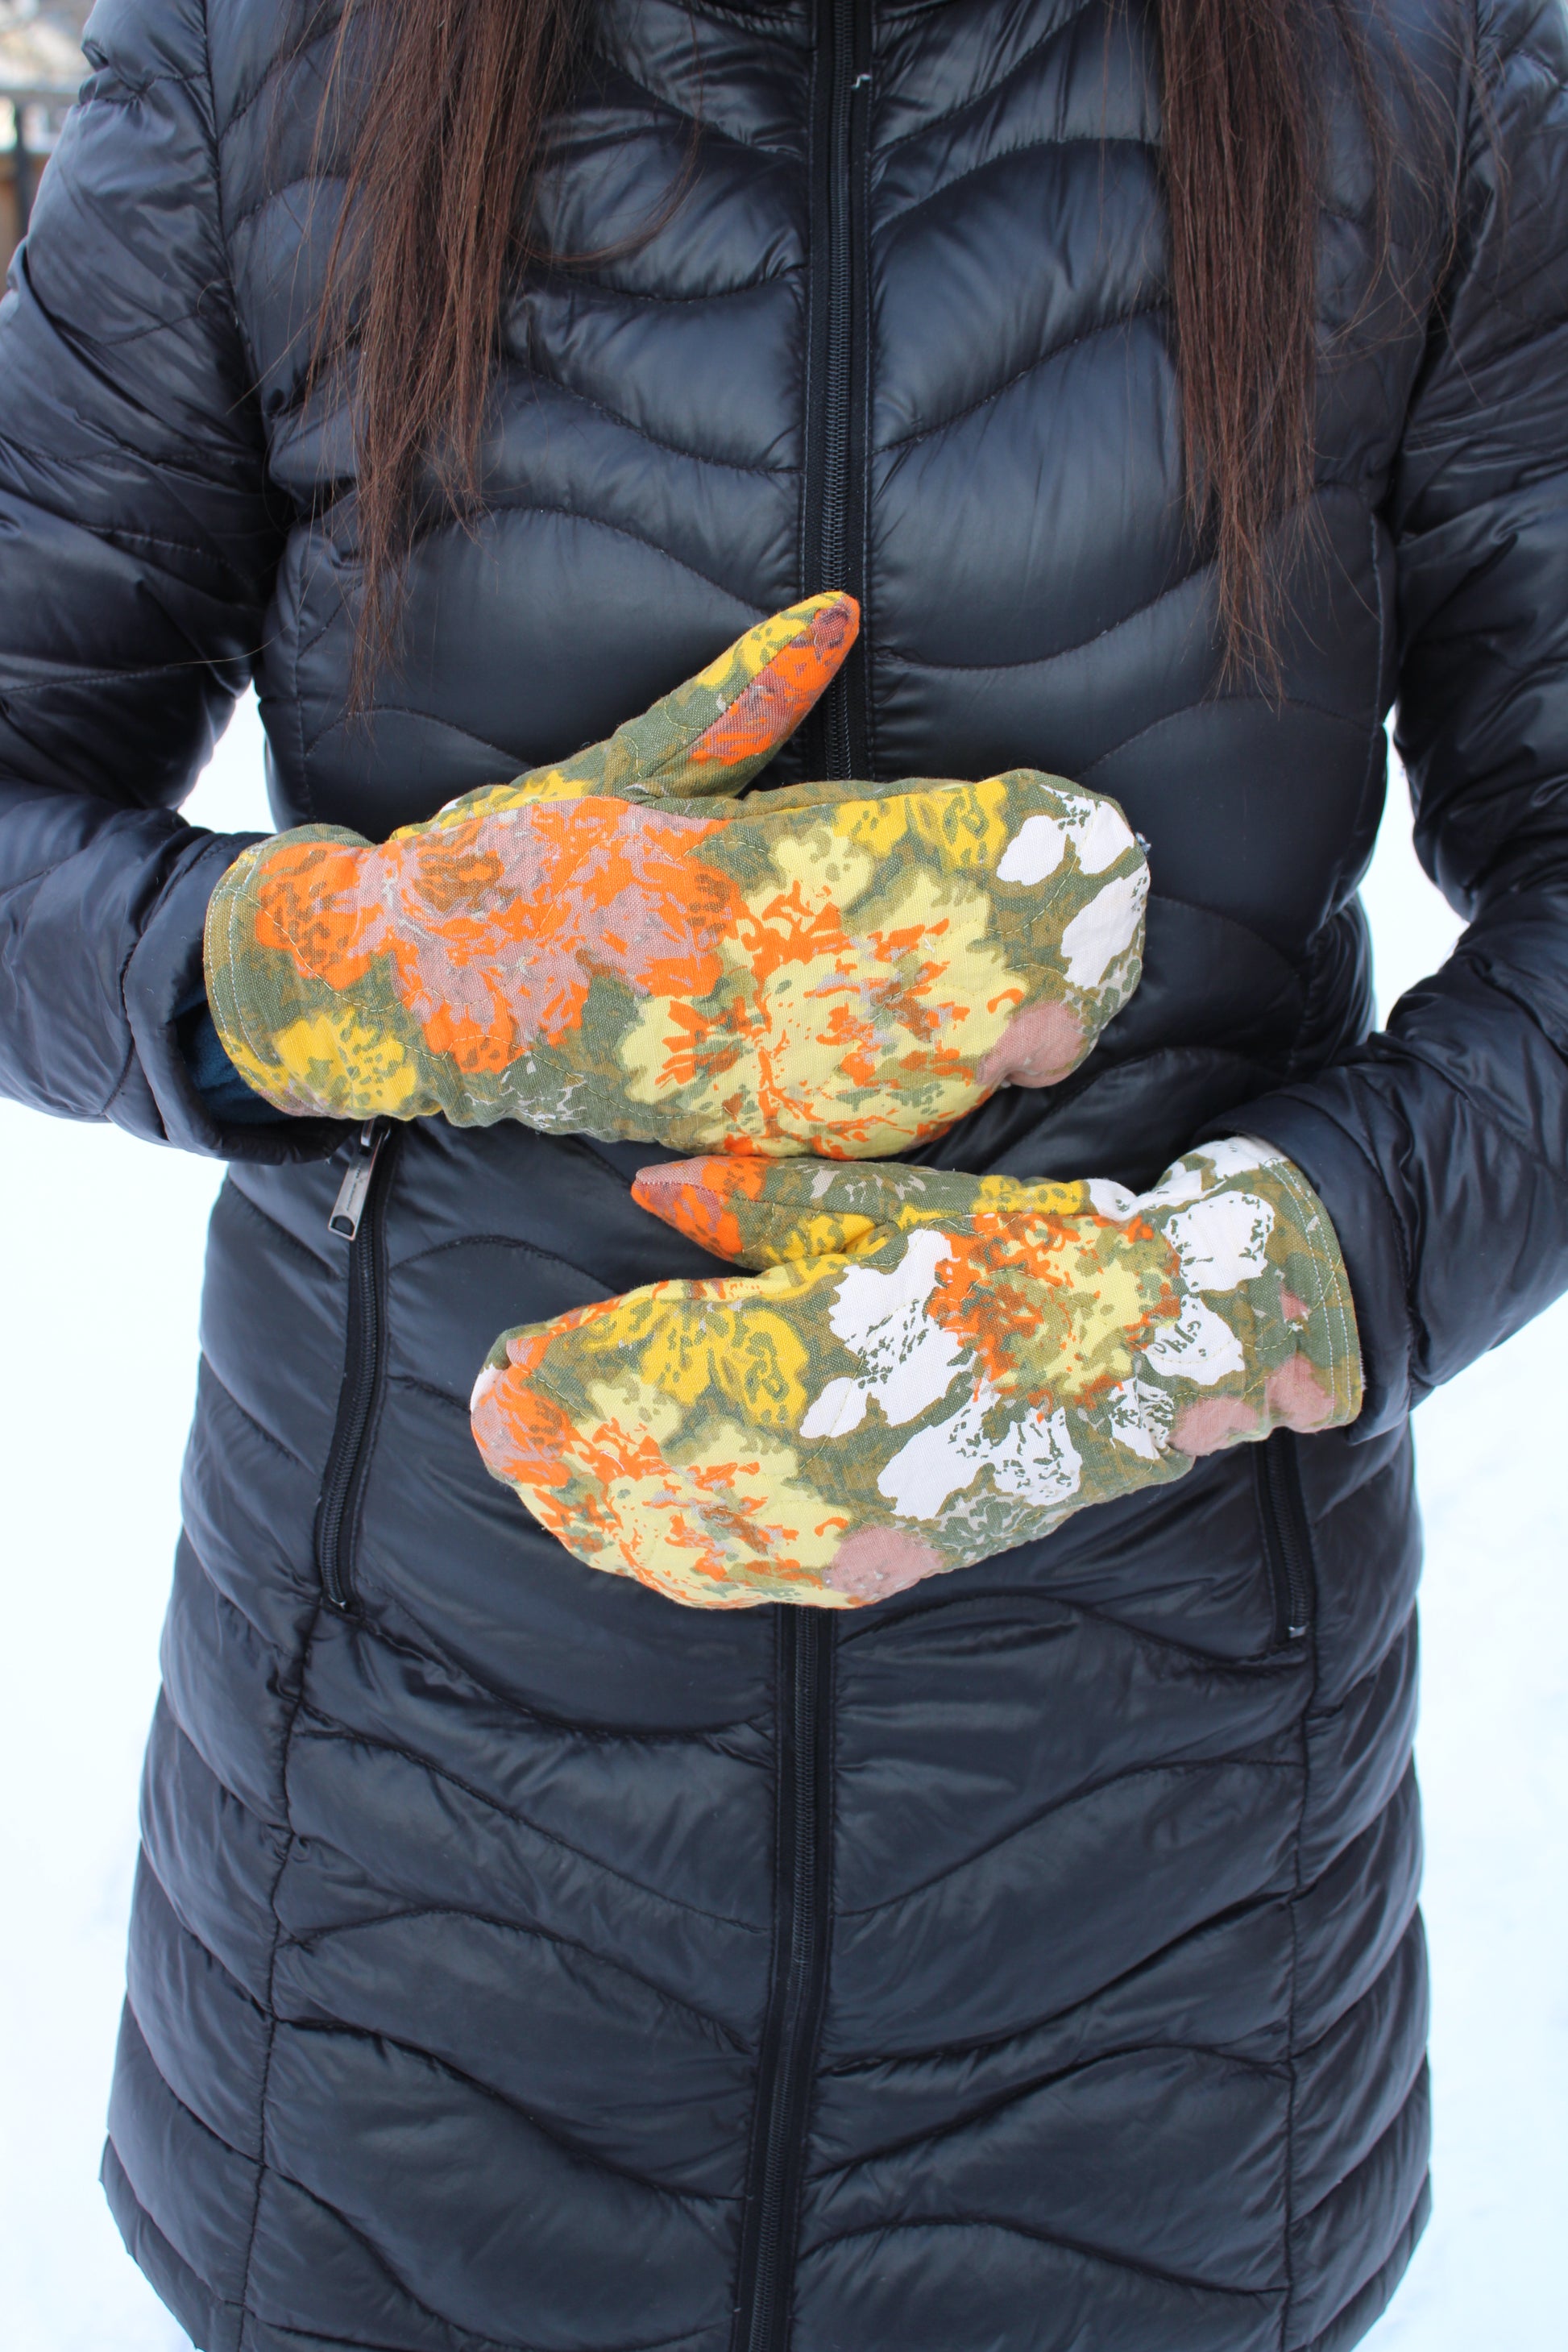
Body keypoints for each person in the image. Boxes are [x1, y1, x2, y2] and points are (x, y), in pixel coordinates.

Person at [0, 0, 1563, 2344]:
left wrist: (1239, 1299)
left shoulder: (1413, 73)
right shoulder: (267, 60)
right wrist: (332, 975)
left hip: (1154, 1917)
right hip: (409, 1903)